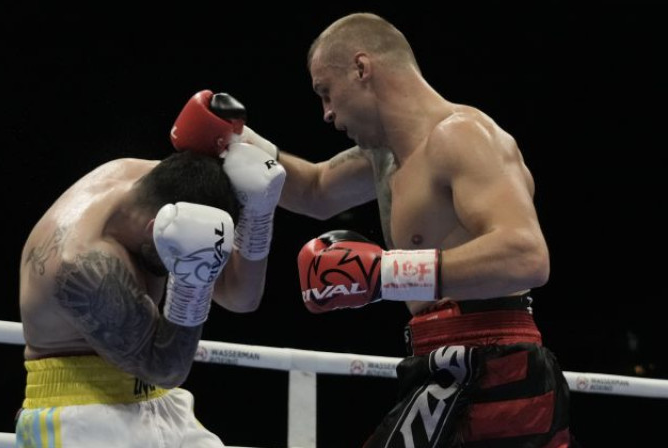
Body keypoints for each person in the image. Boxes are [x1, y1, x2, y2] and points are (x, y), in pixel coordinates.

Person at [235, 12, 572, 448]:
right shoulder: (386, 158)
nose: (327, 112)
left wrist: (386, 274)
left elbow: (526, 255)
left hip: (497, 364)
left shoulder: (462, 136)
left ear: (362, 68)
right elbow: (314, 191)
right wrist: (235, 140)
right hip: (440, 362)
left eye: (326, 92)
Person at [15, 92, 286, 448]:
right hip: (80, 413)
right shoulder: (81, 262)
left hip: (158, 398)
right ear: (155, 227)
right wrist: (193, 282)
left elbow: (242, 298)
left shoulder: (160, 181)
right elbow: (168, 367)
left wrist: (258, 215)